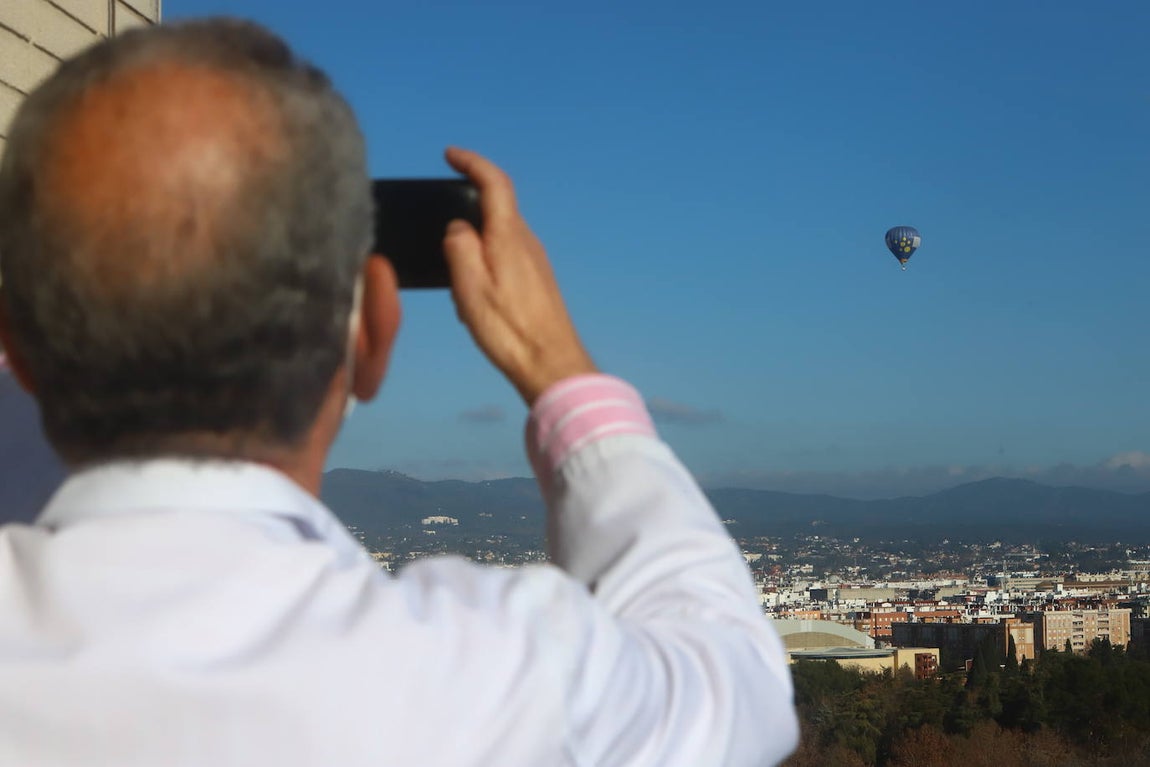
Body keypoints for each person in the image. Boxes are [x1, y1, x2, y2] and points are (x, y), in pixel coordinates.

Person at [0, 19, 797, 767]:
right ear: (374, 338)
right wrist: (558, 367)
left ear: (18, 352)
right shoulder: (497, 677)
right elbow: (736, 679)